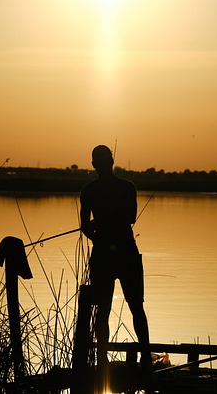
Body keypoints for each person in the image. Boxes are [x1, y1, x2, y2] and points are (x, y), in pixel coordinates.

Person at [80, 145, 152, 375]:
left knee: (103, 310)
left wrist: (98, 233)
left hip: (103, 254)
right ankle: (145, 358)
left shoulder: (88, 191)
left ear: (94, 165)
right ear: (112, 162)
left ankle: (102, 361)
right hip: (126, 252)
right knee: (136, 308)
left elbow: (84, 227)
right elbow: (131, 218)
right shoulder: (127, 187)